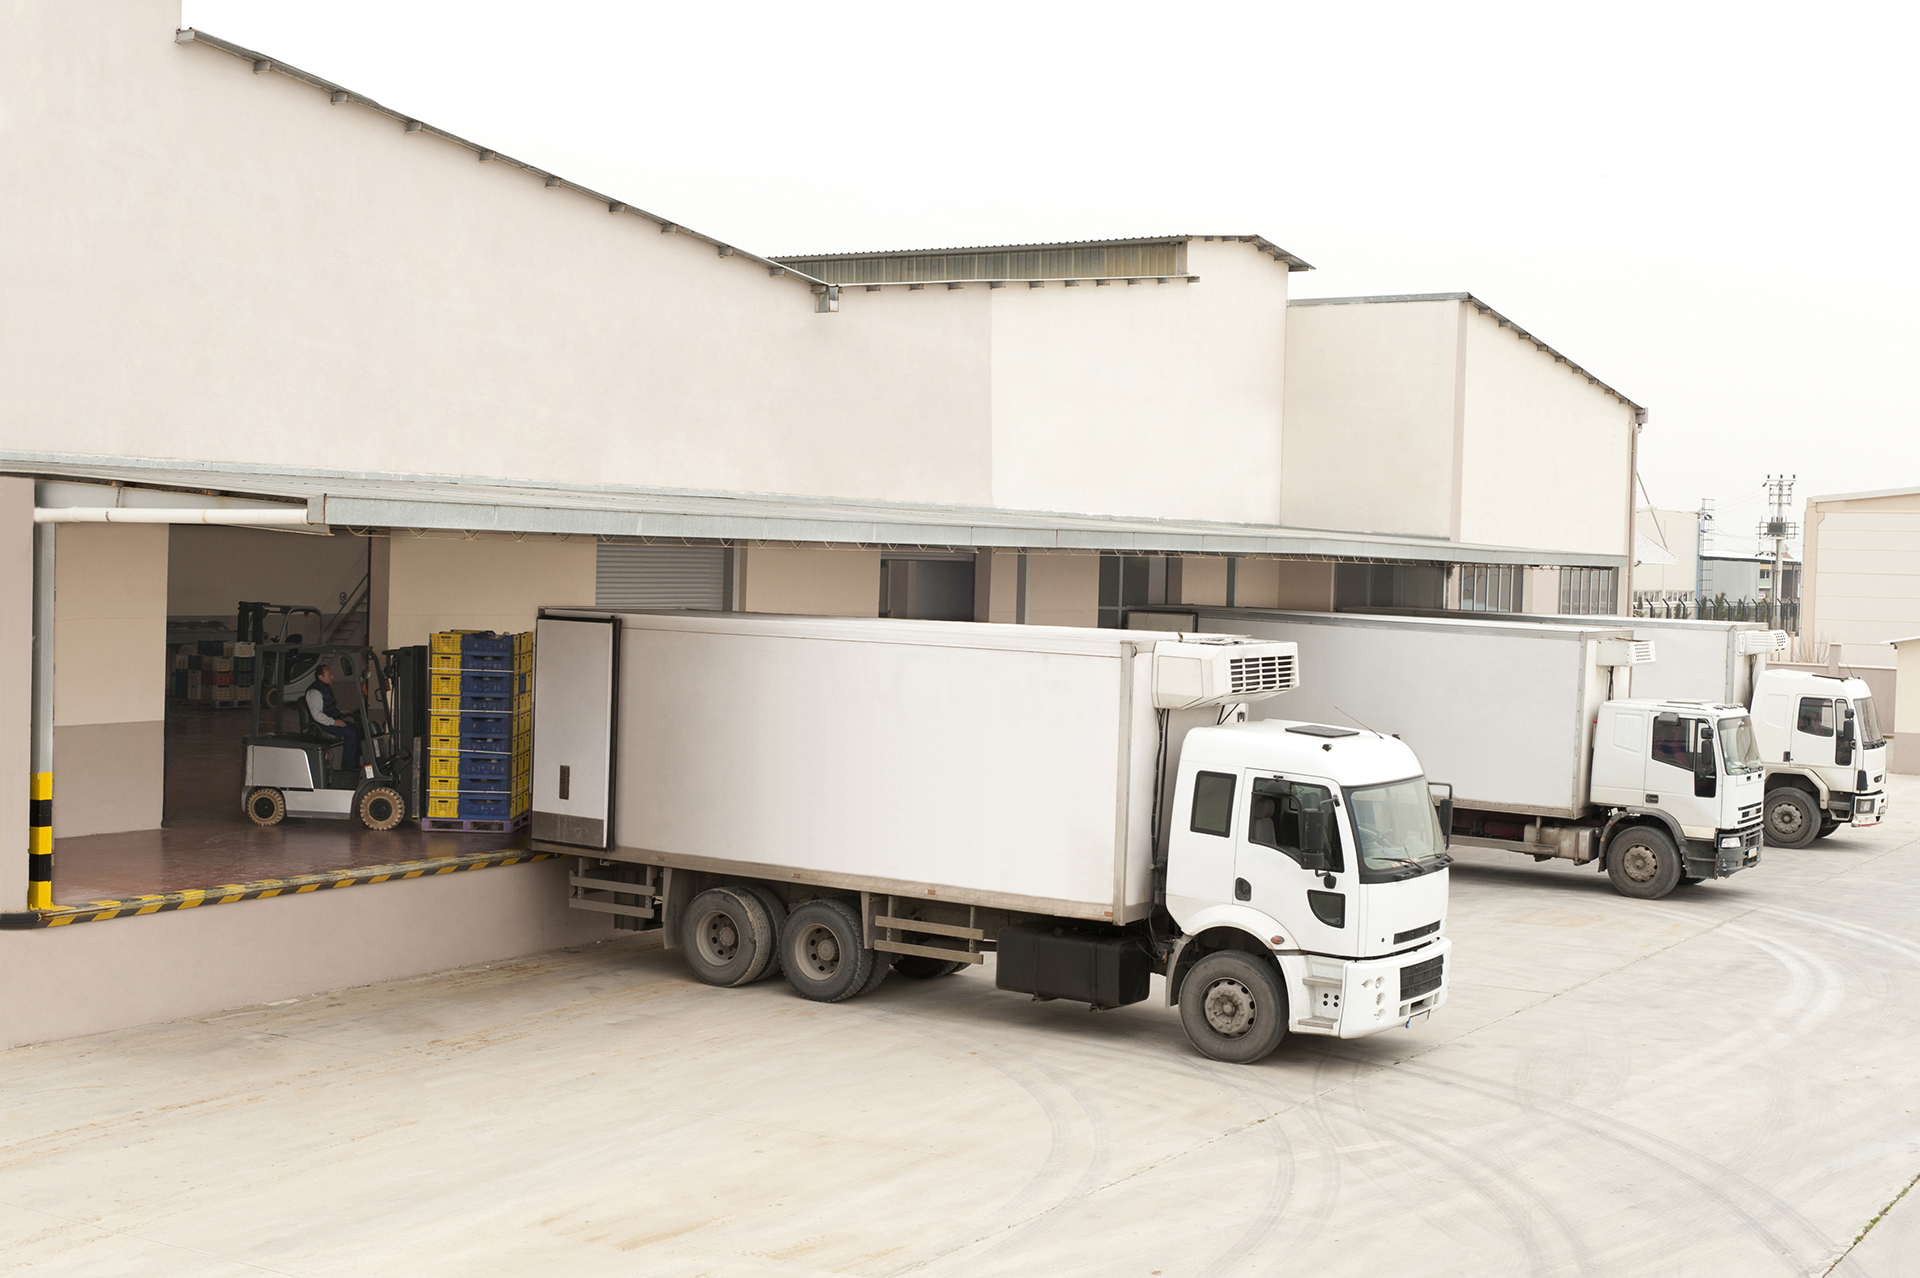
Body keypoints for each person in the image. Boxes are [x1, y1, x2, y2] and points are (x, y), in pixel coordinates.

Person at [305, 663, 361, 770]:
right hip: (321, 725)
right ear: (320, 677)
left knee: (358, 729)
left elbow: (328, 707)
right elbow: (317, 715)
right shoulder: (314, 692)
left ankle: (356, 760)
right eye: (329, 675)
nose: (332, 677)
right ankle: (348, 765)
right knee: (350, 733)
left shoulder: (325, 688)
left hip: (329, 720)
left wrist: (341, 712)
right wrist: (334, 722)